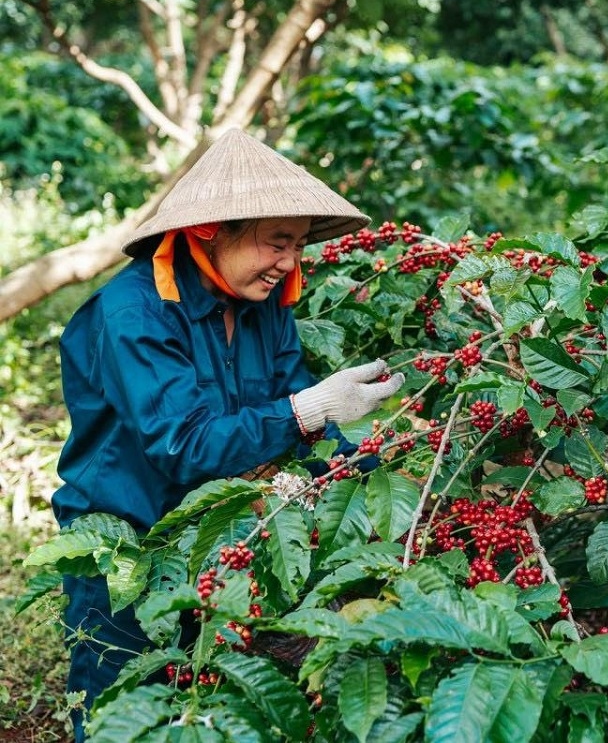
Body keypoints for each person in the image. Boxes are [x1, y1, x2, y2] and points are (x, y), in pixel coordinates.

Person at [52, 128, 403, 740]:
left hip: (218, 535)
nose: (290, 262)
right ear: (211, 230)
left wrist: (375, 478)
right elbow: (185, 445)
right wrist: (308, 410)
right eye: (277, 242)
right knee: (120, 709)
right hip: (125, 543)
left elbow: (302, 423)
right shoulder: (133, 313)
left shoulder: (265, 307)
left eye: (296, 244)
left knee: (211, 703)